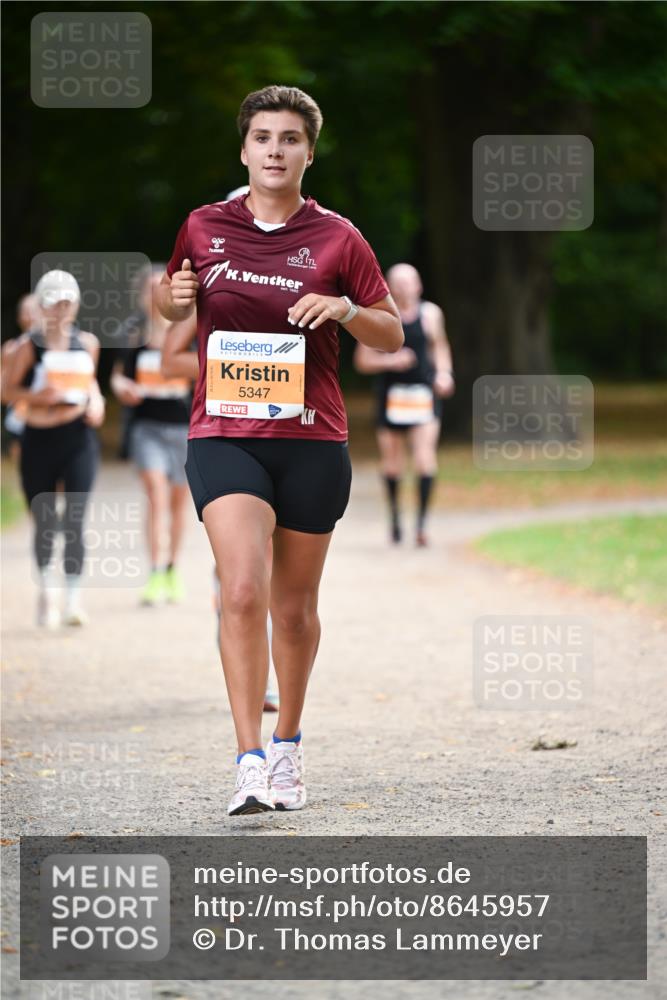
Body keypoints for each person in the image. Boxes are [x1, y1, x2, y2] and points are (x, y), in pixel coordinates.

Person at [156, 85, 403, 815]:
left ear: (308, 152)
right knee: (239, 590)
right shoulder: (204, 226)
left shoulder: (337, 237)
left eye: (289, 138)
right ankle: (248, 761)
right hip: (225, 432)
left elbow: (390, 332)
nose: (274, 149)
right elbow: (174, 304)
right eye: (262, 137)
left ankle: (289, 746)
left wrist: (347, 309)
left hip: (311, 439)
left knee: (292, 610)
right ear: (243, 150)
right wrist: (171, 300)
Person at [161, 311, 279, 713]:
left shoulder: (296, 282)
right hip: (227, 441)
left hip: (289, 438)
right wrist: (235, 361)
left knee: (274, 565)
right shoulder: (212, 294)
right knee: (245, 571)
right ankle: (257, 678)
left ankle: (260, 663)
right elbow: (169, 359)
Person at [1, 270, 105, 627]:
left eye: (66, 302)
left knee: (74, 519)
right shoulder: (27, 347)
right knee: (45, 520)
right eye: (53, 302)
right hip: (39, 439)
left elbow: (91, 383)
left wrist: (97, 403)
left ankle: (74, 599)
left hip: (78, 438)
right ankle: (48, 593)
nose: (60, 309)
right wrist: (35, 396)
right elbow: (6, 391)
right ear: (42, 305)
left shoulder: (88, 342)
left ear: (75, 304)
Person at [354, 263, 455, 546]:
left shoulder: (431, 314)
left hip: (423, 394)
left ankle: (422, 525)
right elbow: (362, 361)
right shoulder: (381, 315)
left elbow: (440, 346)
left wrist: (444, 373)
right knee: (393, 462)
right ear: (388, 286)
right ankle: (396, 518)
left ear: (419, 285)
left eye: (409, 282)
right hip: (392, 396)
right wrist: (391, 361)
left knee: (425, 458)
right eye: (398, 283)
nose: (404, 288)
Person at [110, 265, 191, 605]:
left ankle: (172, 568)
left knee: (177, 502)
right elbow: (116, 376)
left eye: (160, 289)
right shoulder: (131, 332)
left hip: (184, 426)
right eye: (147, 290)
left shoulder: (187, 330)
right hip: (146, 426)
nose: (154, 295)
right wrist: (122, 386)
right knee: (155, 494)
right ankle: (155, 571)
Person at [2, 294, 41, 458]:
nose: (30, 316)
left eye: (34, 311)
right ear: (19, 318)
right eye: (26, 312)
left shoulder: (58, 349)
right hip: (19, 419)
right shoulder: (11, 348)